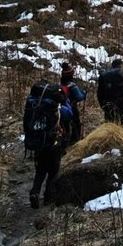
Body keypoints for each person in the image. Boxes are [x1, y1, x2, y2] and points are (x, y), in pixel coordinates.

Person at [24, 79, 72, 208]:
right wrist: (65, 102)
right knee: (53, 171)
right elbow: (69, 114)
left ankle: (34, 192)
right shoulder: (56, 107)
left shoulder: (35, 103)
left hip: (38, 141)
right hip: (53, 142)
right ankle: (48, 198)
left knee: (40, 170)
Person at [96, 56, 123, 125]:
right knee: (121, 125)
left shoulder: (103, 76)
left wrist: (103, 106)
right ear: (120, 66)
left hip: (108, 106)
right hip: (121, 105)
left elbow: (99, 94)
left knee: (109, 124)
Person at [58, 62, 87, 148]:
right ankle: (75, 140)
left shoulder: (59, 84)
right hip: (71, 107)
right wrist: (84, 93)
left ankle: (63, 140)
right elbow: (79, 97)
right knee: (76, 123)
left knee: (63, 124)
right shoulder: (72, 85)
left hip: (60, 108)